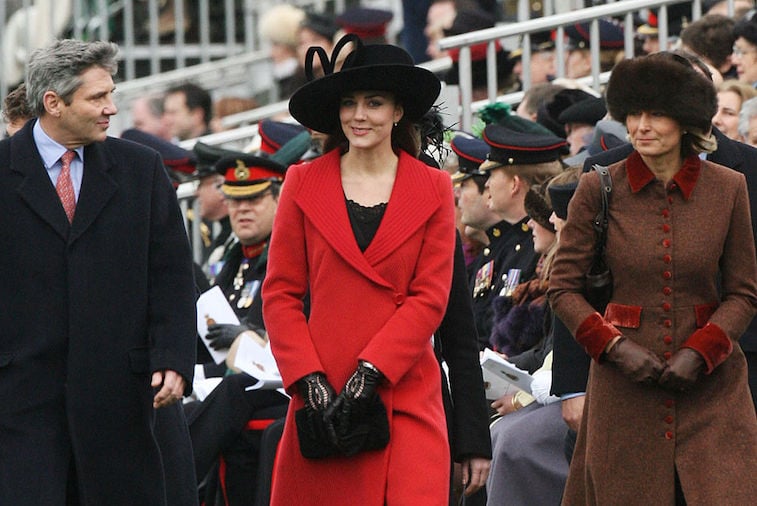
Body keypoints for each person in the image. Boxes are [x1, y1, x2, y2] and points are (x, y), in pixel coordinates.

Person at [548, 52, 757, 505]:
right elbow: (563, 287)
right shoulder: (598, 186)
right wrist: (615, 348)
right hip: (624, 392)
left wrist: (702, 351)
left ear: (686, 120)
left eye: (656, 114)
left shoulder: (728, 188)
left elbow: (743, 292)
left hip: (714, 391)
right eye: (633, 114)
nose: (641, 125)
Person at [0, 39, 196, 504]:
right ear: (53, 103)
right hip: (21, 406)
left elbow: (170, 273)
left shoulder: (141, 169)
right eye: (97, 97)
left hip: (122, 405)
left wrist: (172, 356)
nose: (111, 108)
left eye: (111, 93)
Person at [262, 34, 455, 504]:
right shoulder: (301, 182)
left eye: (374, 102)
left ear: (397, 111)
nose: (359, 115)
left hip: (404, 388)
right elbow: (280, 293)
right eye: (349, 103)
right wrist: (308, 379)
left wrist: (373, 370)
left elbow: (430, 297)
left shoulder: (434, 187)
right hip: (323, 391)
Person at [186, 154, 291, 505]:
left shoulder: (289, 254)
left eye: (254, 198)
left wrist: (250, 336)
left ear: (280, 198)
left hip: (281, 383)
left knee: (232, 389)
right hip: (238, 382)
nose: (242, 209)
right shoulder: (235, 261)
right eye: (234, 199)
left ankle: (172, 476)